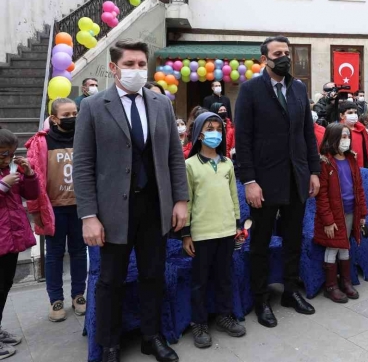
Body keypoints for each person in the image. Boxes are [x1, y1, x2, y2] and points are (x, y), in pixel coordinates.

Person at [74, 39, 188, 362]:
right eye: (130, 64)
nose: (137, 70)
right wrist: (88, 216)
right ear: (113, 68)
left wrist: (180, 200)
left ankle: (151, 337)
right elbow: (83, 165)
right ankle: (108, 344)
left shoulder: (161, 103)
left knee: (154, 274)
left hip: (154, 207)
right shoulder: (94, 107)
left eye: (141, 64)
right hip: (112, 212)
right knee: (110, 280)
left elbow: (174, 157)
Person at [235, 36, 320, 328]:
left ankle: (290, 291)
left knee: (294, 238)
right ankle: (260, 299)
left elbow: (307, 134)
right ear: (264, 60)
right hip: (264, 182)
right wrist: (249, 180)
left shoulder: (298, 88)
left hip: (296, 178)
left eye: (287, 53)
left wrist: (313, 171)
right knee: (259, 243)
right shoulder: (249, 91)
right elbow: (242, 139)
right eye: (277, 53)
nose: (284, 57)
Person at [182, 112, 246, 348]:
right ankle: (198, 322)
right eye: (209, 129)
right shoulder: (189, 165)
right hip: (202, 232)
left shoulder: (227, 162)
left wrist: (237, 224)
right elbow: (186, 201)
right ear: (199, 134)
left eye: (219, 129)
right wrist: (186, 233)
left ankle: (224, 315)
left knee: (224, 277)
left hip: (226, 229)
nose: (215, 134)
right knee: (200, 280)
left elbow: (233, 196)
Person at [26, 98, 87, 323]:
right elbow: (35, 180)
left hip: (81, 207)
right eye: (66, 115)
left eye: (75, 113)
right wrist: (36, 211)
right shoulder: (41, 142)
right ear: (53, 118)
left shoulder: (85, 138)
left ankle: (79, 295)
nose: (72, 118)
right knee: (54, 254)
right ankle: (56, 299)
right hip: (54, 209)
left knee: (80, 252)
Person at [314, 124, 368, 303]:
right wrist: (328, 221)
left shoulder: (351, 159)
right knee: (333, 246)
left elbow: (359, 188)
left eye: (348, 137)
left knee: (345, 245)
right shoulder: (325, 162)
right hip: (334, 215)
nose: (346, 140)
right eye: (343, 137)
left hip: (351, 211)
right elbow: (321, 196)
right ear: (332, 139)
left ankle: (345, 281)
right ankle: (331, 286)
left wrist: (362, 215)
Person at [0, 129, 40, 360]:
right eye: (4, 154)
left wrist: (29, 173)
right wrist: (3, 185)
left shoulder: (11, 170)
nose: (8, 159)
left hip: (11, 238)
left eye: (11, 154)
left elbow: (31, 195)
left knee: (4, 288)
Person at [338, 101, 368, 188]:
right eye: (350, 113)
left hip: (362, 170)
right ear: (342, 116)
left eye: (355, 112)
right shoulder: (337, 131)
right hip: (344, 173)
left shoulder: (362, 131)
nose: (353, 115)